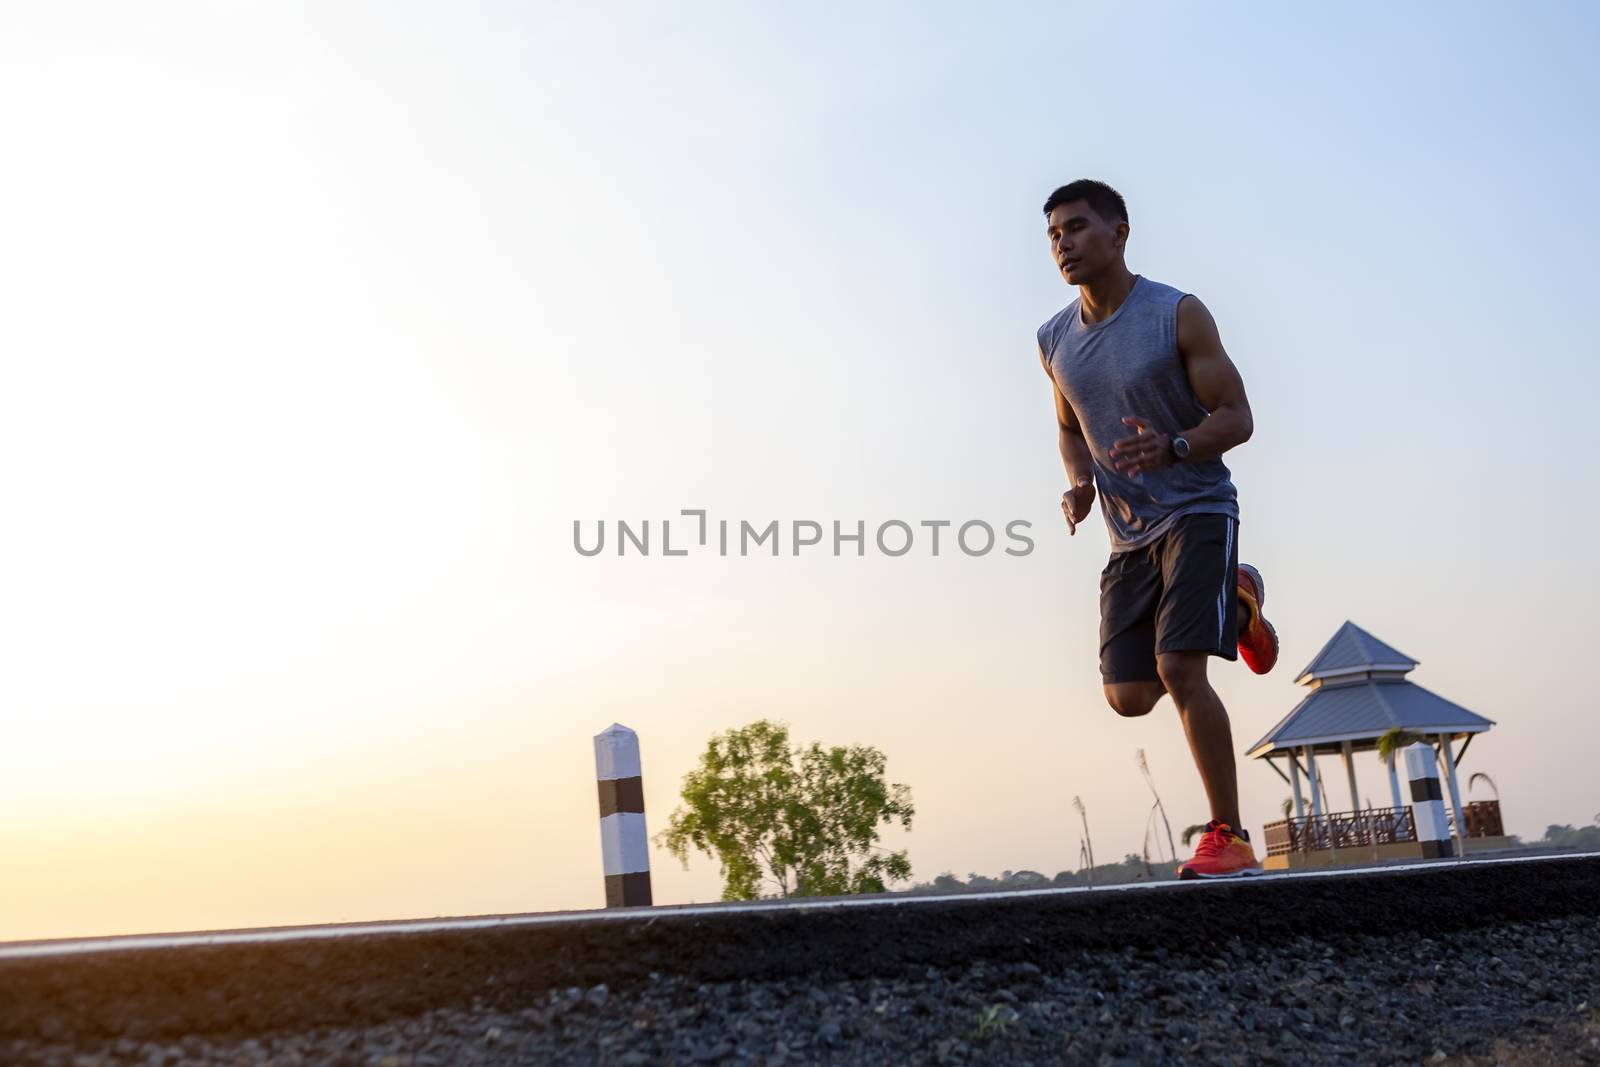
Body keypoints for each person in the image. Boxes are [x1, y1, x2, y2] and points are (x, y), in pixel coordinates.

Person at [1036, 178, 1280, 879]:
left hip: (1199, 507)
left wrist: (1173, 446)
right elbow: (1067, 427)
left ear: (1119, 232)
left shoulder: (1176, 314)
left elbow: (1238, 416)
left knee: (1179, 667)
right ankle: (1235, 602)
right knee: (1131, 696)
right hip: (1127, 534)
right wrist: (1081, 485)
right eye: (1053, 234)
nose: (1063, 244)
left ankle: (1227, 835)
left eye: (1076, 227)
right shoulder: (1054, 340)